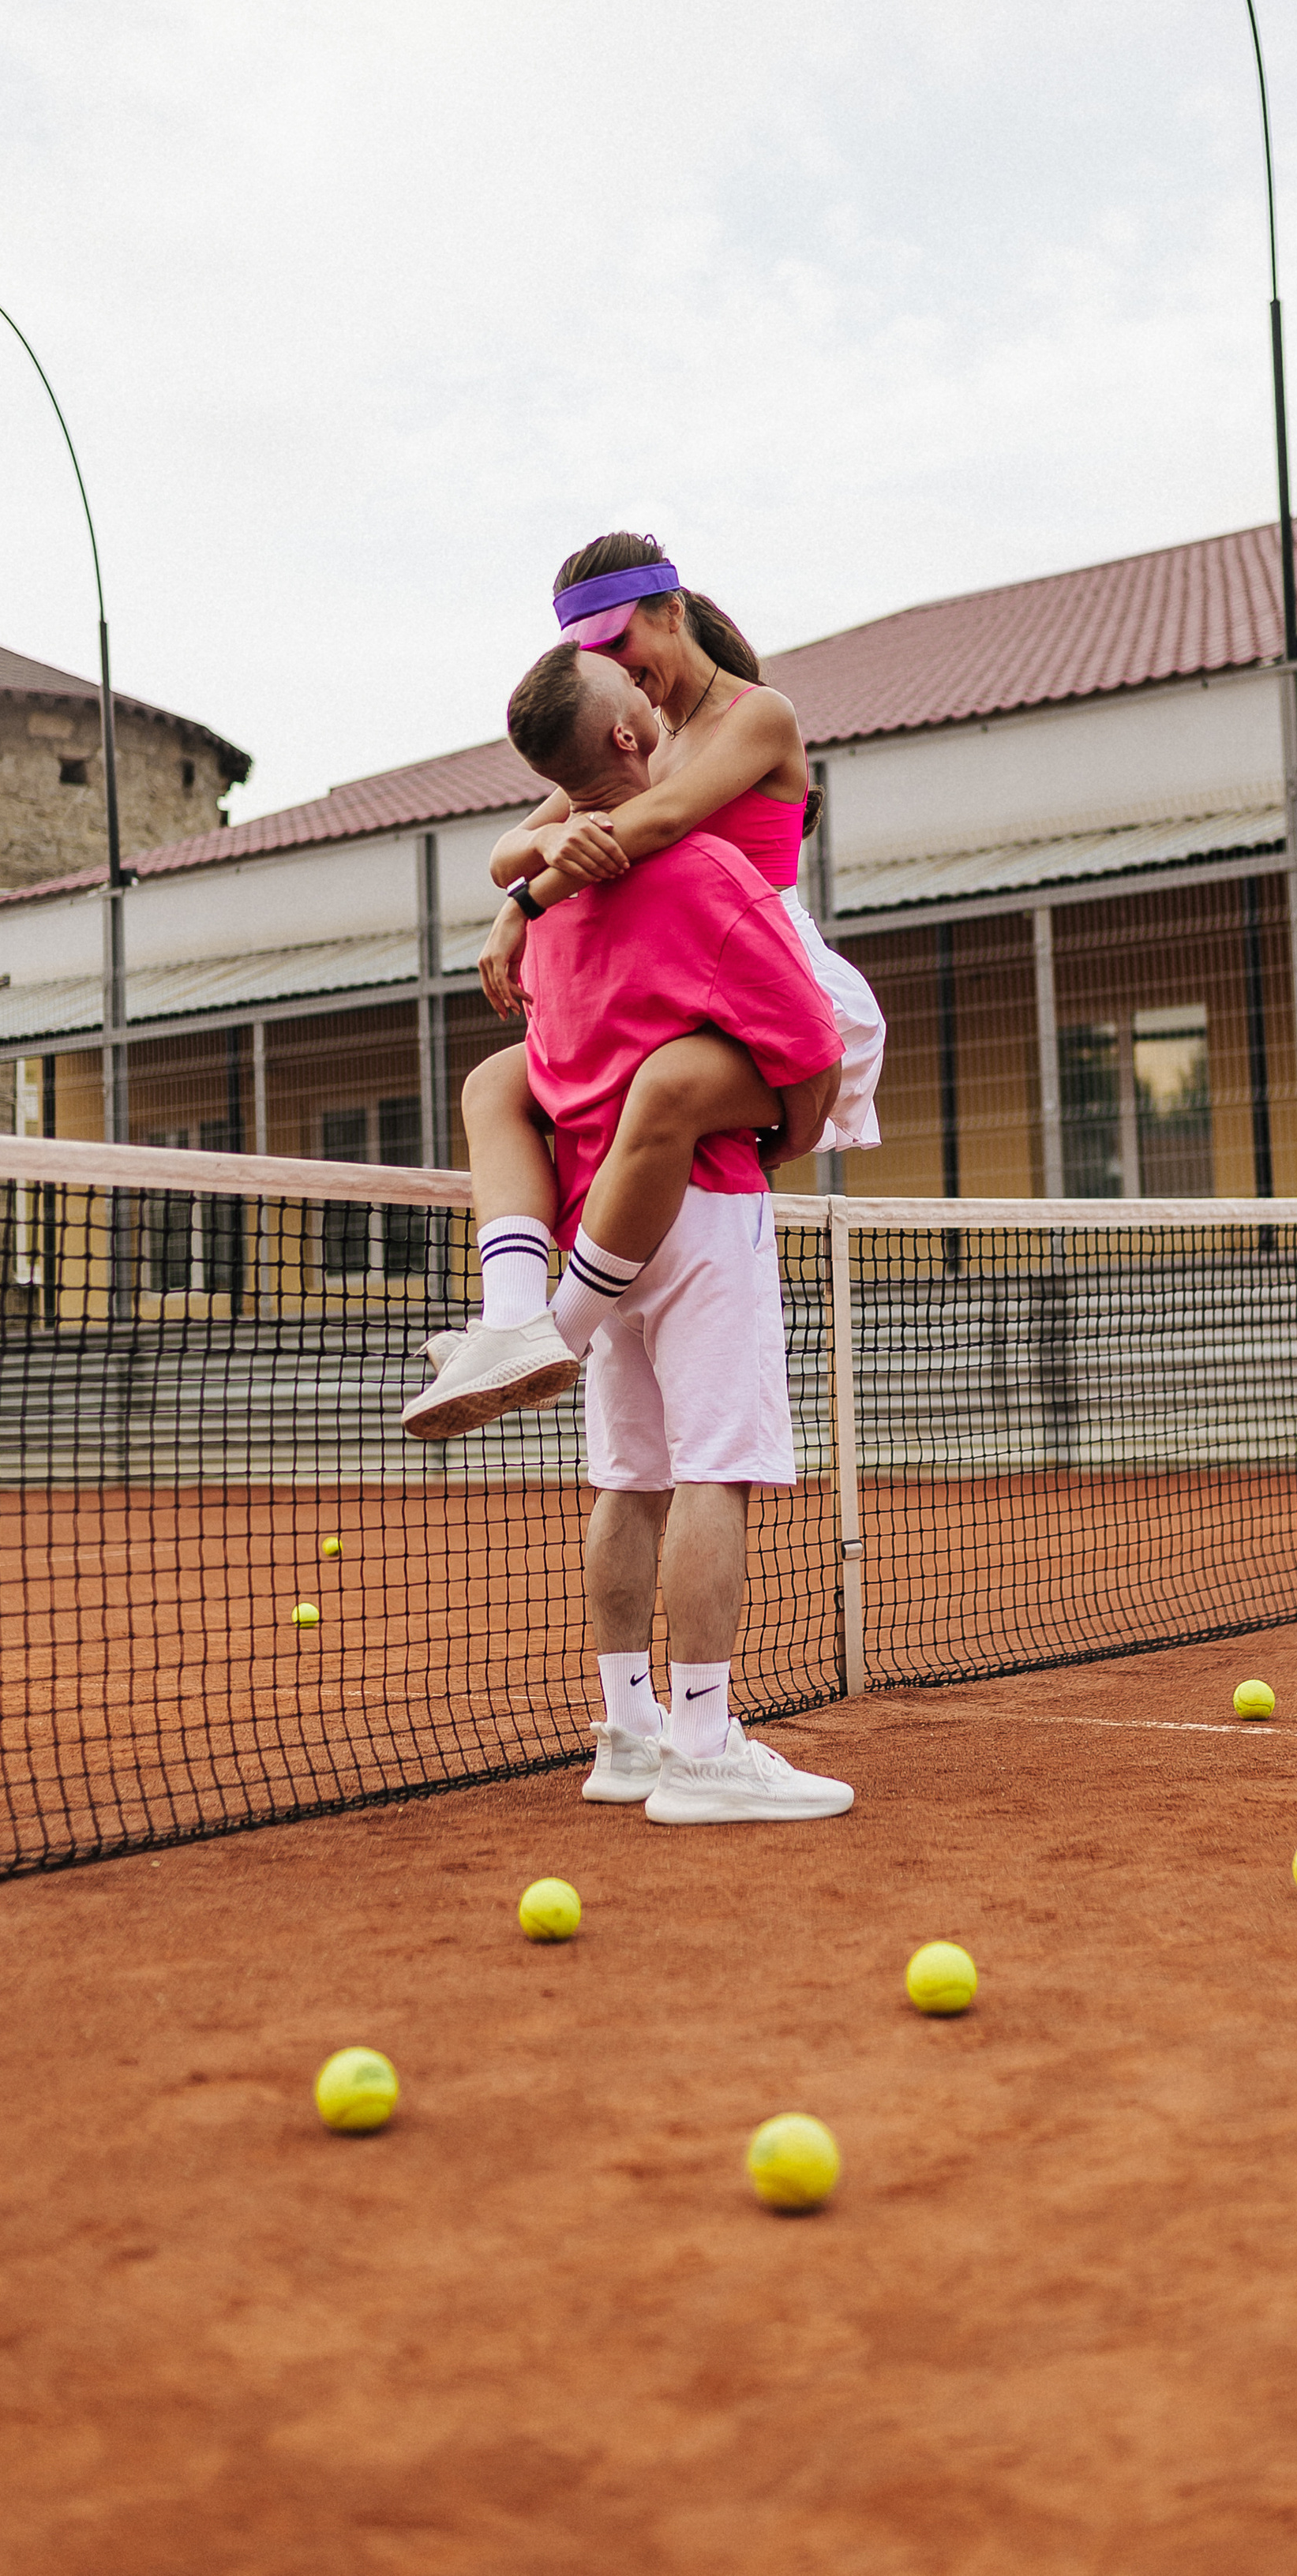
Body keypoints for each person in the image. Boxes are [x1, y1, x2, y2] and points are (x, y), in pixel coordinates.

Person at [463, 640, 854, 1825]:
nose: (653, 691)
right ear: (631, 737)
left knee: (627, 1484)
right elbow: (813, 1042)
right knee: (712, 1477)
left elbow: (542, 1072)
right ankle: (701, 1750)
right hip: (703, 1210)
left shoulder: (544, 909)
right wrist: (783, 1139)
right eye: (636, 692)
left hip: (592, 1223)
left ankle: (627, 1737)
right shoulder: (706, 869)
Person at [403, 534, 883, 1440]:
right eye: (596, 657)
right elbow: (506, 849)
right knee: (495, 1084)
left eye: (621, 642)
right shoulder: (637, 732)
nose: (618, 668)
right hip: (675, 984)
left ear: (672, 611)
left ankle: (556, 1334)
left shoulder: (756, 715)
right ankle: (512, 1321)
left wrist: (527, 903)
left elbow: (655, 824)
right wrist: (540, 855)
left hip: (773, 978)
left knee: (662, 1091)